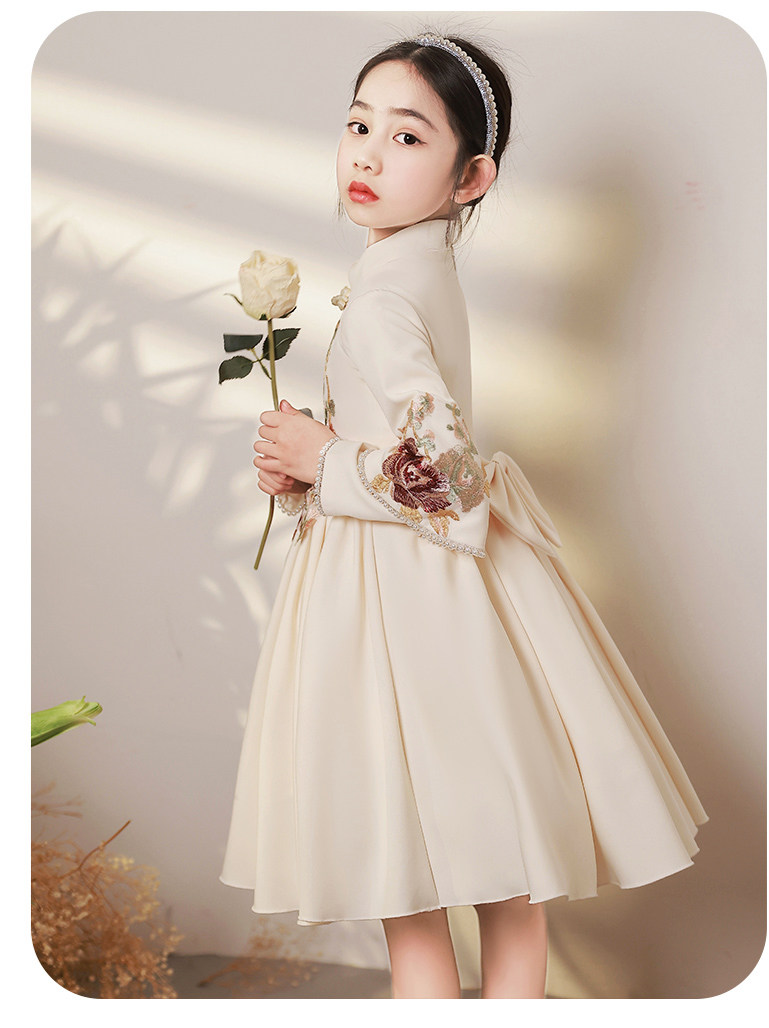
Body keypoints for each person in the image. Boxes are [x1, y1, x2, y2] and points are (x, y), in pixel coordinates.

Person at [220, 32, 707, 1000]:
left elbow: (447, 479)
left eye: (407, 137)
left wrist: (326, 461)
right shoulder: (418, 270)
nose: (366, 153)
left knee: (410, 877)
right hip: (441, 588)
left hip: (402, 602)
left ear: (471, 177)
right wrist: (316, 464)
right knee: (500, 871)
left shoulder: (385, 298)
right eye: (358, 125)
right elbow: (414, 442)